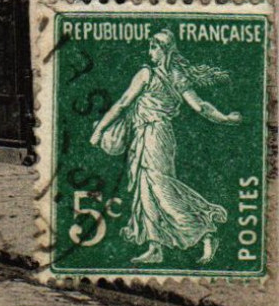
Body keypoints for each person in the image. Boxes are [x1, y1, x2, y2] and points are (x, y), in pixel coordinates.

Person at [89, 29, 241, 264]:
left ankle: (205, 231)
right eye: (150, 47)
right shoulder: (176, 76)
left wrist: (99, 130)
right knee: (146, 190)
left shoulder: (147, 74)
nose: (150, 52)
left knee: (161, 188)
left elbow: (122, 103)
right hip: (149, 136)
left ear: (165, 50)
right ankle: (155, 247)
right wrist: (225, 118)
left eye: (154, 47)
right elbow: (200, 106)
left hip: (155, 136)